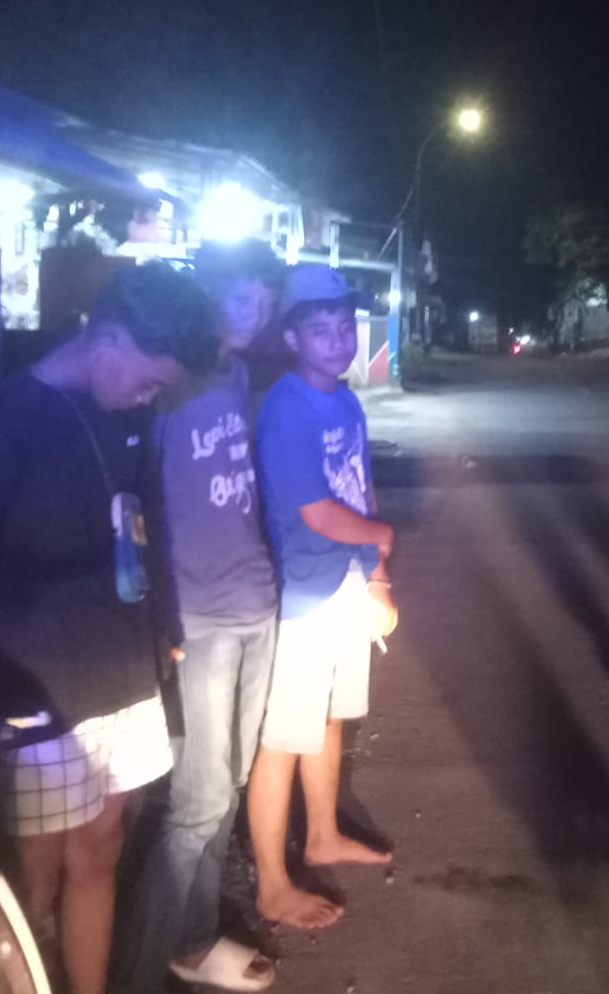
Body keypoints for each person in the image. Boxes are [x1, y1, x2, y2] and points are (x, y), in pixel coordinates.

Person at [0, 261, 219, 994]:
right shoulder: (5, 420)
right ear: (107, 343)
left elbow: (146, 520)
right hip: (41, 686)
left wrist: (163, 623)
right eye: (149, 381)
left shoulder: (126, 411)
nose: (151, 398)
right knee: (32, 876)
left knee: (101, 850)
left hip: (124, 667)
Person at [112, 244, 342, 994]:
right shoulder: (165, 384)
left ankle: (192, 940)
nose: (256, 314)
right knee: (197, 803)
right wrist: (157, 613)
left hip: (256, 602)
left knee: (230, 784)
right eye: (244, 298)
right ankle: (136, 975)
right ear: (209, 294)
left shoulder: (240, 374)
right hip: (199, 614)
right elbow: (137, 502)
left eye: (264, 303)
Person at [247, 264, 399, 927]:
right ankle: (271, 884)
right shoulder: (286, 408)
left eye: (345, 327)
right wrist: (382, 536)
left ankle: (322, 834)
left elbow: (360, 487)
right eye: (320, 330)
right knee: (283, 737)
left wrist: (377, 574)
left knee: (331, 718)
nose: (338, 341)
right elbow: (316, 511)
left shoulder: (346, 401)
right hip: (303, 593)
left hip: (345, 582)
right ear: (291, 338)